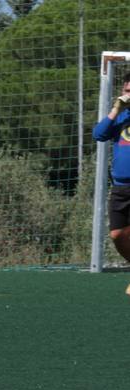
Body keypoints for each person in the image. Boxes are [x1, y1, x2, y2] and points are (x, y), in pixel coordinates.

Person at [93, 74, 130, 295]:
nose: (128, 94)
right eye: (126, 90)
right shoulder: (121, 116)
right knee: (117, 235)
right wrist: (116, 108)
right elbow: (99, 134)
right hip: (120, 186)